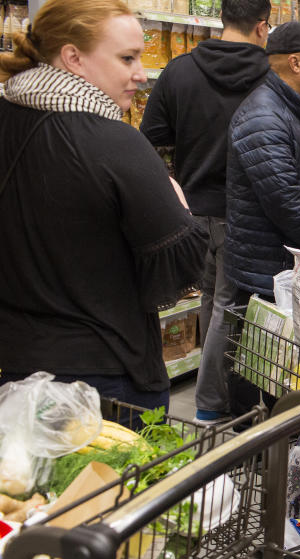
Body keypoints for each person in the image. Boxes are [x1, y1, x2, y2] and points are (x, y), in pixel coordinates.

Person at [0, 0, 206, 411]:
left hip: (15, 368)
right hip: (104, 377)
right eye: (127, 58)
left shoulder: (8, 114)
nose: (140, 73)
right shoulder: (115, 142)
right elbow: (182, 260)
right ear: (73, 57)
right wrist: (179, 204)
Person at [140, 0, 271, 425]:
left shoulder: (179, 70)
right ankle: (214, 405)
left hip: (194, 211)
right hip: (248, 213)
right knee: (233, 308)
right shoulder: (271, 74)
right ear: (263, 26)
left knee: (216, 303)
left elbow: (151, 138)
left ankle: (220, 401)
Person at [222, 21, 300, 340]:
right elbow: (284, 200)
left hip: (289, 269)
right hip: (265, 276)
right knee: (252, 371)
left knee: (282, 373)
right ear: (294, 63)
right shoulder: (264, 116)